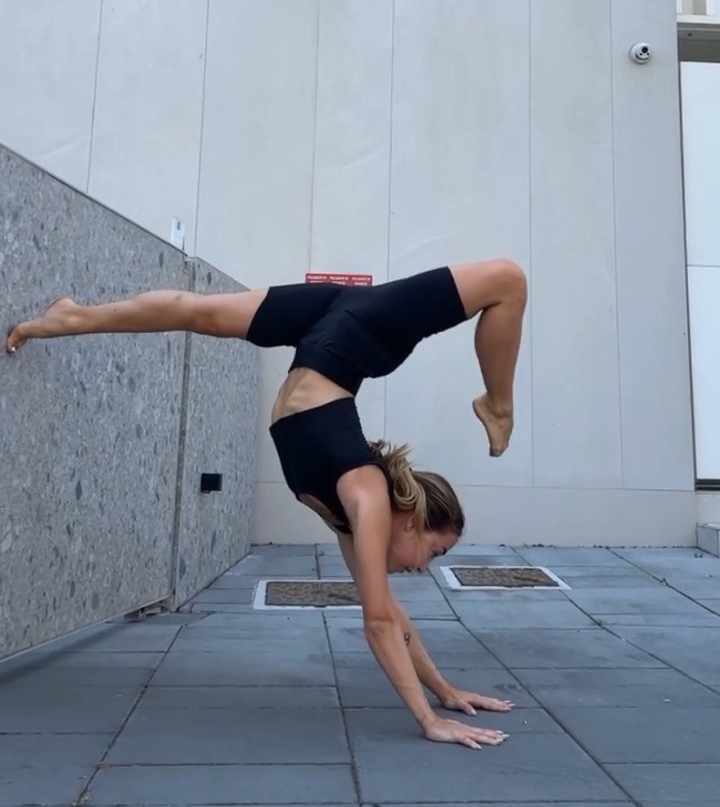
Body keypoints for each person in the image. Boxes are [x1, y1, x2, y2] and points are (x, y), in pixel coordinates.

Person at [7, 258, 526, 750]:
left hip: (329, 329)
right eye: (435, 551)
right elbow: (379, 624)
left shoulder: (352, 513)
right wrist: (429, 721)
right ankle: (498, 404)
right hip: (361, 335)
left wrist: (445, 693)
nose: (425, 567)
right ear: (412, 520)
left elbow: (387, 613)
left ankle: (72, 317)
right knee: (506, 280)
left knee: (199, 312)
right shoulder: (367, 496)